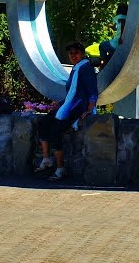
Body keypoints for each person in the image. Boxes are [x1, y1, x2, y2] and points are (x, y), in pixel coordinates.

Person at [35, 42, 98, 181]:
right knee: (44, 123)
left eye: (76, 53)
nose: (73, 55)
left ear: (82, 54)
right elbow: (72, 92)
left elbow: (92, 90)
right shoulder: (77, 68)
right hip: (68, 105)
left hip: (77, 107)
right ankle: (46, 159)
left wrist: (89, 109)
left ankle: (60, 168)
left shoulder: (86, 68)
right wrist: (59, 105)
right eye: (71, 53)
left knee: (56, 130)